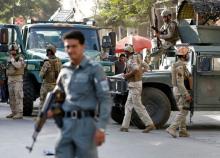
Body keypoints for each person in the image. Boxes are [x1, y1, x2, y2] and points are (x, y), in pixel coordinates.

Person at [47, 31, 112, 158]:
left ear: (83, 47)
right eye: (67, 47)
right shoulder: (65, 70)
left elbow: (105, 99)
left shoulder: (95, 69)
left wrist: (101, 128)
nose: (70, 50)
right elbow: (59, 94)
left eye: (74, 46)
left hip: (86, 126)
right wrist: (52, 109)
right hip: (66, 124)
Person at [120, 45, 155, 133]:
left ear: (128, 52)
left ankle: (149, 124)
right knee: (128, 105)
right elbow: (146, 66)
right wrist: (141, 72)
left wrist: (127, 75)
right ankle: (125, 126)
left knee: (138, 106)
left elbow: (135, 69)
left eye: (125, 52)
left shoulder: (132, 59)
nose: (124, 53)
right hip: (134, 84)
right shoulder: (137, 57)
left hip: (135, 85)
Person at [166, 47, 193, 138]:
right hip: (180, 90)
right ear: (184, 55)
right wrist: (186, 94)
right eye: (187, 54)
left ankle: (182, 131)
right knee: (184, 111)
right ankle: (172, 128)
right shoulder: (180, 66)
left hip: (178, 90)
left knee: (182, 109)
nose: (188, 55)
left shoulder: (180, 64)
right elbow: (180, 83)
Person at [39, 44, 62, 111]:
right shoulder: (59, 61)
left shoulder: (46, 62)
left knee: (43, 100)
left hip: (46, 85)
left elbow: (41, 75)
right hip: (55, 85)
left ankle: (41, 115)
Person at [6, 43, 25, 119]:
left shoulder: (19, 58)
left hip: (17, 80)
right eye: (11, 50)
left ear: (16, 50)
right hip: (10, 79)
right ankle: (13, 112)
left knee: (18, 96)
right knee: (11, 97)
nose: (12, 51)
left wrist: (12, 60)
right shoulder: (9, 58)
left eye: (13, 50)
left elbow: (18, 66)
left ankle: (19, 113)